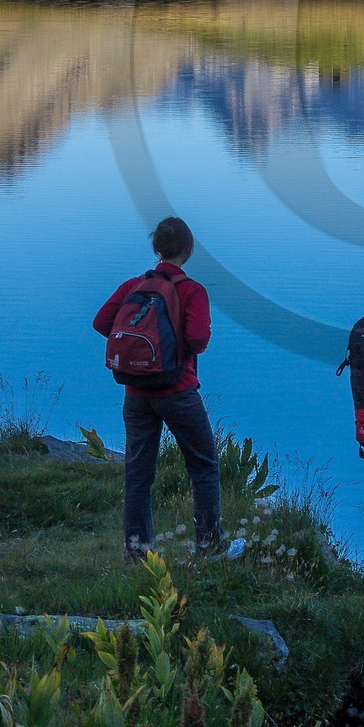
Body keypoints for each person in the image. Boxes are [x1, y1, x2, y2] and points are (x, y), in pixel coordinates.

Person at [93, 216, 223, 560]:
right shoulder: (192, 290)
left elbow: (101, 322)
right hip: (177, 392)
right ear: (188, 250)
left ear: (157, 249)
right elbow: (197, 339)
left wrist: (140, 353)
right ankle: (209, 547)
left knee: (138, 474)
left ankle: (136, 552)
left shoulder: (134, 286)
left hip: (136, 395)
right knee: (204, 467)